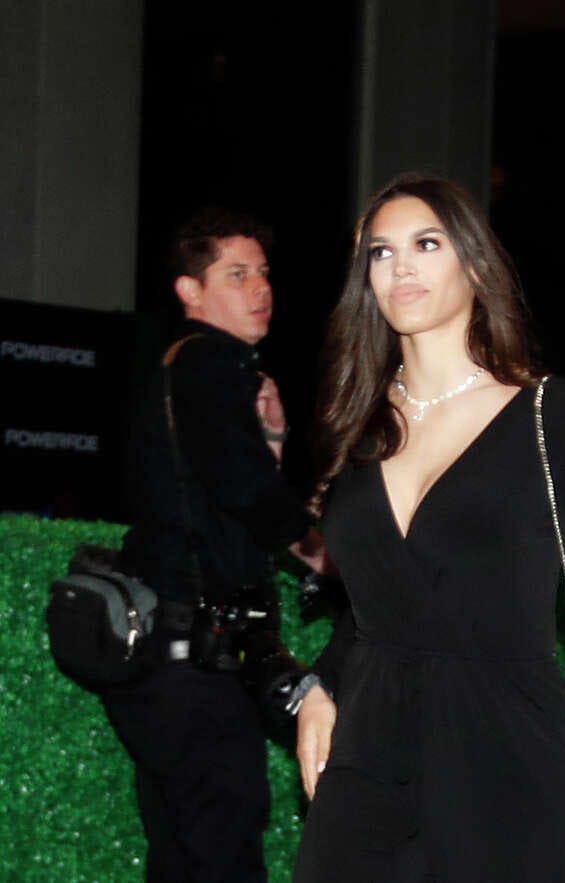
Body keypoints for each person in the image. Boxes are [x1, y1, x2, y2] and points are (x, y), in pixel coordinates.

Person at [291, 173, 565, 880]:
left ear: (475, 264)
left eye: (426, 243)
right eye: (381, 253)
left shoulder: (553, 417)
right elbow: (373, 605)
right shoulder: (353, 427)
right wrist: (319, 687)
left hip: (508, 756)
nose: (401, 267)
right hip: (368, 765)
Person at [102, 208, 328, 881]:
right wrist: (331, 559)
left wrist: (274, 443)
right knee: (220, 852)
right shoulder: (212, 360)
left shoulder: (177, 367)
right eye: (236, 273)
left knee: (182, 855)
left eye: (262, 272)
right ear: (189, 290)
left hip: (165, 665)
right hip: (197, 668)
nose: (259, 287)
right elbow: (248, 493)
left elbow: (212, 495)